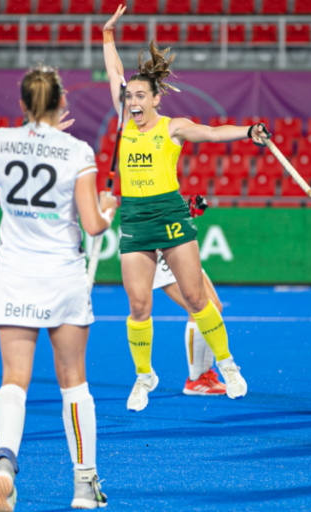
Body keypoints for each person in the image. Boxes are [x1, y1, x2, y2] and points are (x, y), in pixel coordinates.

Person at [102, 5, 265, 411]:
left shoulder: (170, 127)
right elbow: (113, 72)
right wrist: (107, 37)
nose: (133, 100)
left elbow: (211, 132)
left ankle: (226, 365)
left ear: (156, 98)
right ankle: (144, 376)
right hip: (135, 218)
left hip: (171, 216)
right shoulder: (124, 121)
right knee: (139, 304)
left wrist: (248, 131)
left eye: (141, 95)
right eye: (129, 95)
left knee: (197, 298)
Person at [0, 66, 117, 511]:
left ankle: (4, 463)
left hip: (15, 273)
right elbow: (93, 226)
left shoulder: (1, 141)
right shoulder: (76, 150)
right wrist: (107, 208)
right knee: (74, 383)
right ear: (62, 104)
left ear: (22, 105)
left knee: (13, 381)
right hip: (62, 275)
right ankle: (84, 485)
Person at [152, 250, 228, 396]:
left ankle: (203, 376)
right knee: (200, 310)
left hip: (180, 245)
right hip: (163, 247)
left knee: (212, 308)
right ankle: (197, 379)